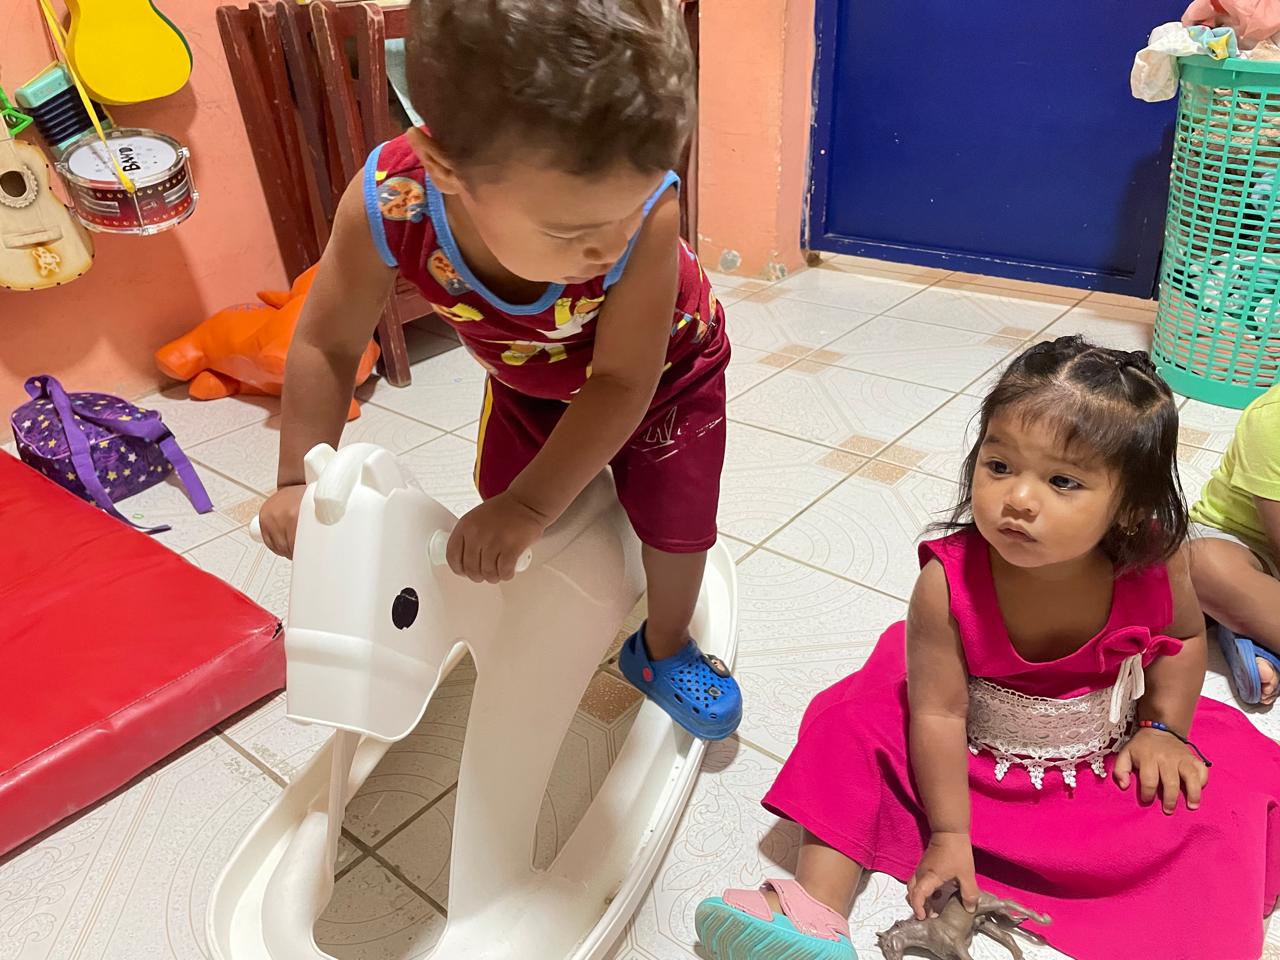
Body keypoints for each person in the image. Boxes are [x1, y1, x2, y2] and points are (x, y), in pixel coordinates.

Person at [695, 337, 1280, 960]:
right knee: (849, 725)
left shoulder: (1156, 564)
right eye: (999, 466)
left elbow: (1184, 638)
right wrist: (949, 834)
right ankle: (815, 912)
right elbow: (938, 713)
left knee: (1220, 801)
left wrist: (1163, 729)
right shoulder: (945, 585)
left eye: (1062, 481)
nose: (1018, 499)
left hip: (1096, 756)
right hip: (958, 756)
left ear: (1130, 509)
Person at [254, 0, 740, 740]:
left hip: (667, 374)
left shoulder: (648, 216)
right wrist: (298, 477)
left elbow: (621, 384)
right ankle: (552, 588)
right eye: (572, 231)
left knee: (677, 523)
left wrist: (530, 506)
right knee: (500, 507)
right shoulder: (392, 200)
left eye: (632, 211)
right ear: (445, 167)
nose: (610, 247)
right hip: (528, 378)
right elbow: (326, 343)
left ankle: (664, 647)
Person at [1187, 383, 1280, 705]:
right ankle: (1249, 620)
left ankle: (1251, 629)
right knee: (1199, 563)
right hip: (1242, 543)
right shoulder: (1271, 420)